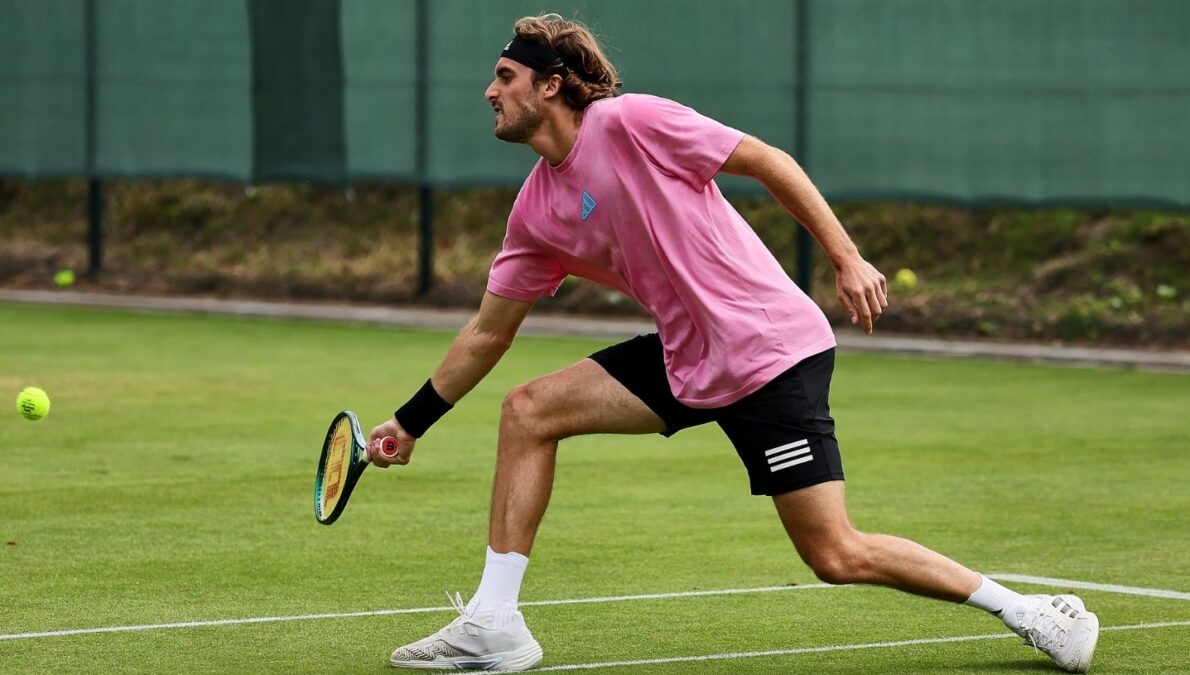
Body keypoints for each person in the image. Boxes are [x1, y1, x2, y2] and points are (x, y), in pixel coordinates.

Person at [367, 13, 1099, 674]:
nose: (489, 92)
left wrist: (846, 256)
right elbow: (490, 329)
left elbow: (767, 161)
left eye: (505, 77)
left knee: (834, 554)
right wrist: (411, 420)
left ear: (553, 86)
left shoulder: (631, 123)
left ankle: (1029, 611)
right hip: (690, 358)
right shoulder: (536, 209)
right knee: (528, 410)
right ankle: (494, 623)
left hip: (771, 349)